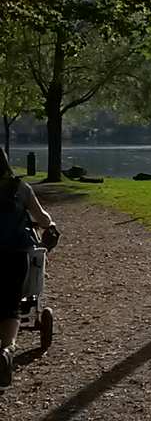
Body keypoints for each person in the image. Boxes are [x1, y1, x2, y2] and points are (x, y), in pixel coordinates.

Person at [0, 148, 56, 389]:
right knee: (11, 304)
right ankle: (7, 349)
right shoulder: (19, 188)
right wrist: (51, 226)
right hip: (14, 255)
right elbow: (42, 218)